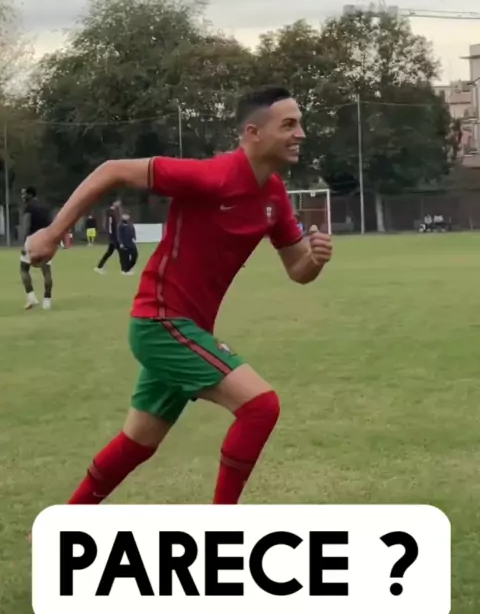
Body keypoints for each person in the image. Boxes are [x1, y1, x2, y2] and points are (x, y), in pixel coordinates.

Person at [26, 86, 333, 505]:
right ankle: (221, 528)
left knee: (138, 442)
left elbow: (298, 270)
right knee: (260, 407)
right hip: (161, 323)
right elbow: (112, 170)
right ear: (253, 133)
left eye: (300, 124)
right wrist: (52, 233)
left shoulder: (274, 195)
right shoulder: (213, 177)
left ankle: (63, 523)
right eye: (289, 125)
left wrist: (315, 258)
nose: (301, 134)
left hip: (185, 330)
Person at [19, 186, 53, 310]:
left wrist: (24, 243)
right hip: (45, 240)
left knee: (24, 269)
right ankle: (47, 301)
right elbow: (51, 224)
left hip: (32, 240)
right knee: (46, 271)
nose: (22, 196)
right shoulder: (45, 207)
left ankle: (32, 297)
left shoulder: (29, 207)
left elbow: (26, 225)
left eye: (24, 194)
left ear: (30, 194)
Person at [94, 200, 122, 273]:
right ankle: (125, 269)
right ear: (113, 203)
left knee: (110, 252)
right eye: (117, 203)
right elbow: (110, 226)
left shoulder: (113, 212)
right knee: (121, 252)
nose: (119, 204)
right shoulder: (111, 213)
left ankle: (99, 267)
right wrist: (113, 236)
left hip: (114, 236)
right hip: (114, 237)